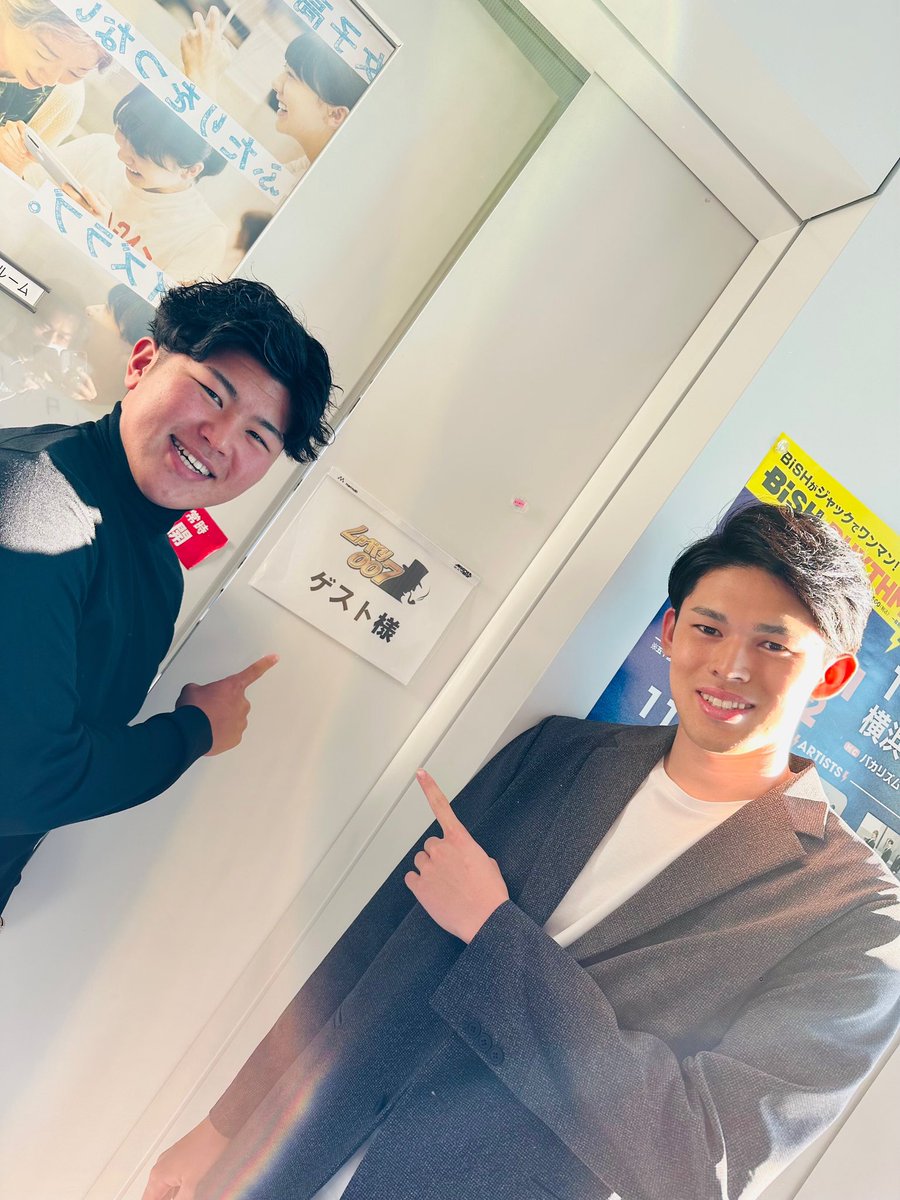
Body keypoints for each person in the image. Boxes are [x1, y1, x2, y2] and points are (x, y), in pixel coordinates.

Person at [142, 504, 900, 1200]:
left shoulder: (854, 915)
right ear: (669, 632)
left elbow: (700, 1164)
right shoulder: (557, 755)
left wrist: (495, 935)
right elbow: (368, 952)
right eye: (709, 628)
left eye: (772, 644)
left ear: (832, 674)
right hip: (295, 1159)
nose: (730, 666)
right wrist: (226, 1127)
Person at [0, 277, 334, 917]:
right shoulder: (38, 497)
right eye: (212, 392)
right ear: (142, 363)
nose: (220, 436)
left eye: (259, 436)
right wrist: (194, 731)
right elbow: (21, 781)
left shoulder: (157, 565)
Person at [18, 84, 229, 282]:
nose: (121, 155)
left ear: (190, 170)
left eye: (141, 154)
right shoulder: (100, 148)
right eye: (123, 134)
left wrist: (99, 241)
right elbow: (20, 191)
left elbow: (154, 308)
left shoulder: (204, 235)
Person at [182, 17, 366, 177]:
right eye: (285, 70)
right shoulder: (307, 167)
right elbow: (225, 167)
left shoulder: (327, 185)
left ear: (336, 115)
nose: (276, 83)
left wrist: (203, 76)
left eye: (291, 75)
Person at [0, 0, 110, 171]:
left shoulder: (65, 100)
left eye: (76, 72)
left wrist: (12, 164)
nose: (51, 79)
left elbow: (26, 176)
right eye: (45, 54)